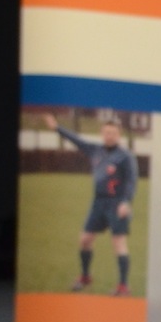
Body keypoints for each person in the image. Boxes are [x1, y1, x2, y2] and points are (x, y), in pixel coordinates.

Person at [57, 115, 138, 296]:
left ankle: (123, 286)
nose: (109, 136)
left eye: (113, 133)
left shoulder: (126, 156)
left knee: (119, 243)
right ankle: (85, 277)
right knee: (85, 239)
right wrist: (57, 127)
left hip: (117, 203)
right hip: (98, 202)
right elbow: (76, 140)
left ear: (119, 135)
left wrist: (126, 202)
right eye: (106, 132)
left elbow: (131, 182)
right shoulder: (95, 150)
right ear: (102, 133)